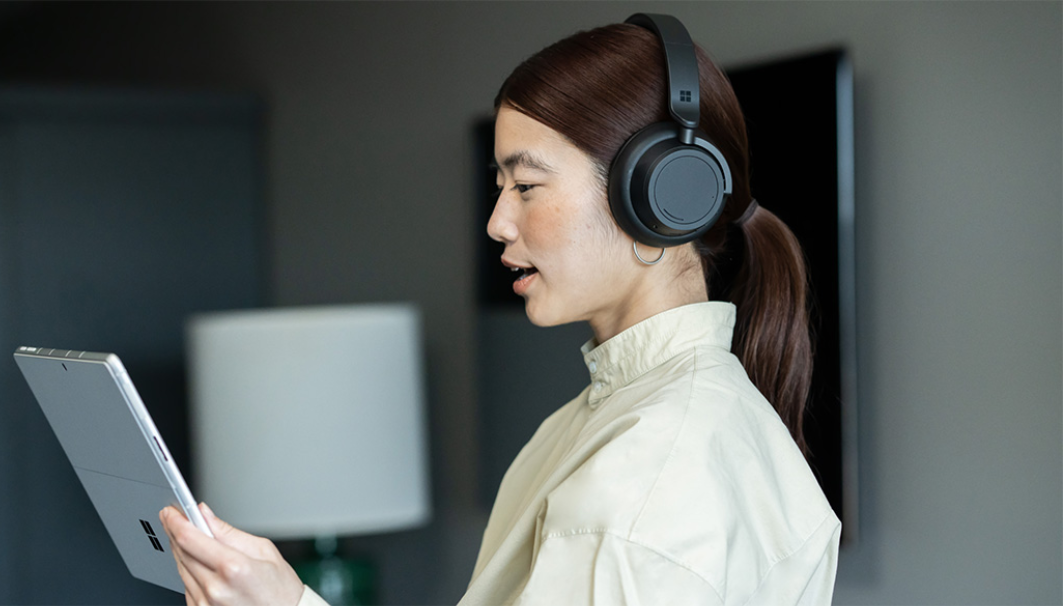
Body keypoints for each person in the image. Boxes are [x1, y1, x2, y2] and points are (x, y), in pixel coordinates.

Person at [161, 13, 840, 606]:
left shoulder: (648, 476)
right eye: (499, 185)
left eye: (527, 185)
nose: (496, 222)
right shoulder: (606, 428)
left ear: (661, 198)